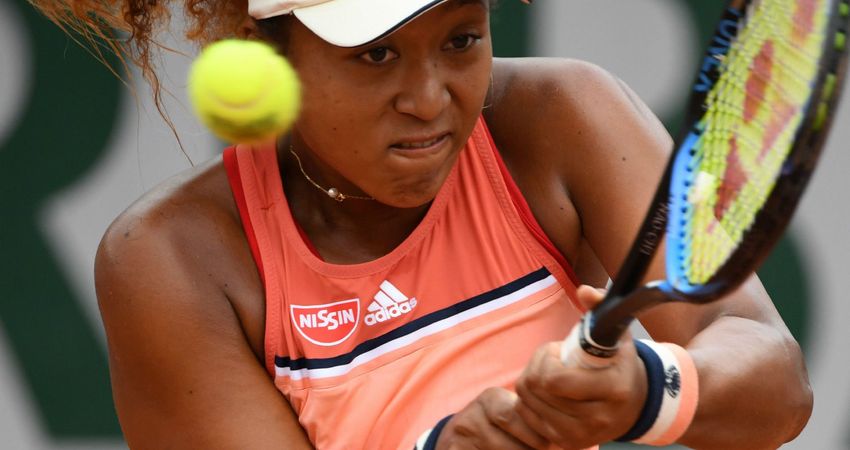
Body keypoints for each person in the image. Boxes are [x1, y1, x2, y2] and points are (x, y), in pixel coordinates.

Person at [31, 0, 813, 449]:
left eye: (461, 39)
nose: (431, 97)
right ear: (267, 55)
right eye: (376, 56)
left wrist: (647, 390)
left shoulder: (561, 115)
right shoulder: (170, 259)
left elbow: (775, 384)